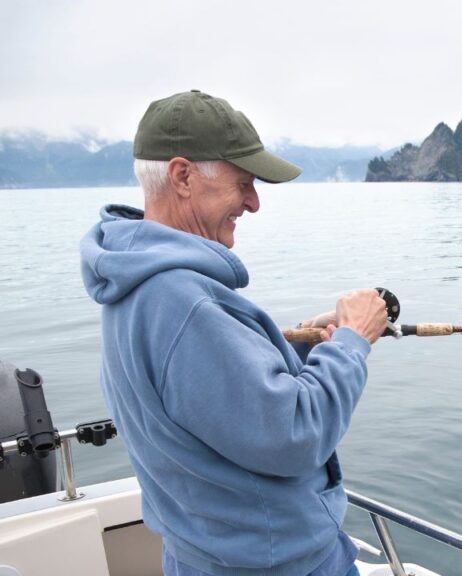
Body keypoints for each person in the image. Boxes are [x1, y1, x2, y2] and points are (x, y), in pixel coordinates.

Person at [79, 90, 386, 576]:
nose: (254, 202)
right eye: (242, 182)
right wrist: (352, 342)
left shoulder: (132, 281)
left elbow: (204, 401)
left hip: (205, 554)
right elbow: (294, 433)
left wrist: (299, 348)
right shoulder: (184, 301)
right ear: (182, 176)